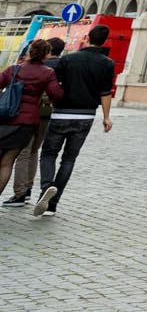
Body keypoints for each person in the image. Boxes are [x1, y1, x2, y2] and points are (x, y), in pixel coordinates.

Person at [34, 23, 116, 217]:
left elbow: (54, 85)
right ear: (104, 41)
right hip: (86, 115)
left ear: (87, 38)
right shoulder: (107, 63)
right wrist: (106, 117)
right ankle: (52, 205)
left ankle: (46, 186)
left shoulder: (68, 59)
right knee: (69, 159)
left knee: (48, 154)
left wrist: (54, 101)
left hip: (62, 112)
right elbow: (106, 93)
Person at [0, 39, 63, 206]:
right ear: (46, 55)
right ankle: (16, 193)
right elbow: (56, 95)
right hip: (26, 122)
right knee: (8, 162)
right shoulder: (47, 73)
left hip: (4, 118)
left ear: (29, 52)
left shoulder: (14, 69)